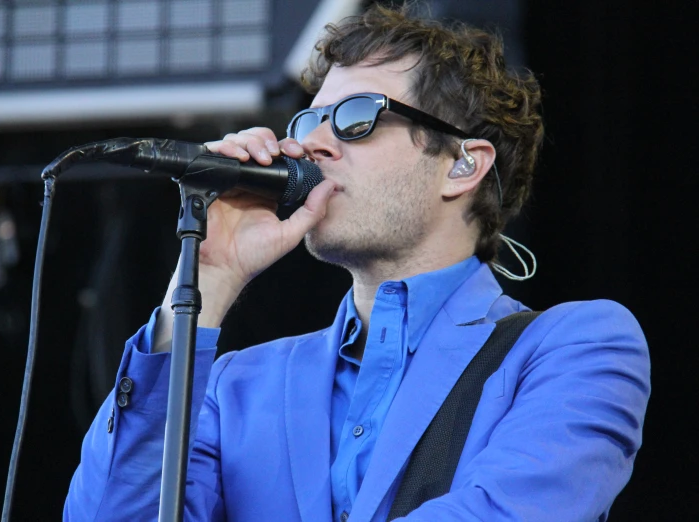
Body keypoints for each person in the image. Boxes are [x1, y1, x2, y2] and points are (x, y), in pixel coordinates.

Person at [64, 5, 650, 521]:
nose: (312, 144)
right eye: (310, 120)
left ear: (463, 166)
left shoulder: (577, 348)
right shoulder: (232, 386)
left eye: (356, 117)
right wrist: (208, 279)